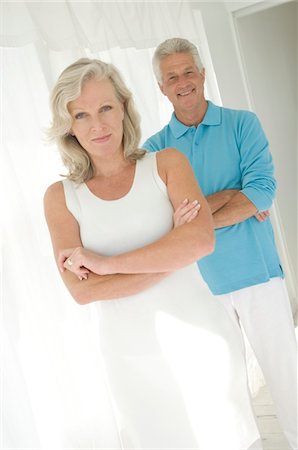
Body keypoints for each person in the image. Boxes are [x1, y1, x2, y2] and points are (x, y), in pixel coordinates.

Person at [44, 58, 262, 450]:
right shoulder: (61, 198)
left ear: (124, 106)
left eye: (106, 107)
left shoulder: (167, 164)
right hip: (131, 362)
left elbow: (200, 242)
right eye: (82, 114)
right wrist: (171, 250)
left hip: (202, 344)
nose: (98, 124)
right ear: (69, 126)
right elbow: (83, 291)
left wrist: (107, 265)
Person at [142, 37, 298, 450]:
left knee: (288, 382)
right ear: (161, 87)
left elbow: (262, 193)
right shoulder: (154, 151)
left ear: (203, 74)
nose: (183, 81)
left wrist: (197, 216)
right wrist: (233, 195)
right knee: (223, 397)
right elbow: (163, 221)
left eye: (188, 71)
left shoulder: (243, 124)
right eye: (172, 76)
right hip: (201, 286)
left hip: (259, 274)